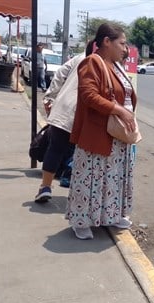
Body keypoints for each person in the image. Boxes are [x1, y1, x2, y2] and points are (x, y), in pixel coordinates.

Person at [65, 23, 137, 240]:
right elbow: (89, 95)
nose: (125, 49)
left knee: (110, 180)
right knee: (90, 179)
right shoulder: (92, 62)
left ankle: (111, 216)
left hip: (116, 137)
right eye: (122, 44)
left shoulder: (116, 66)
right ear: (107, 42)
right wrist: (119, 111)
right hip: (97, 134)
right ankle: (81, 221)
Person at [34, 41, 95, 203]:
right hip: (84, 114)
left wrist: (50, 97)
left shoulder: (80, 58)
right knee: (83, 154)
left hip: (65, 109)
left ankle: (45, 187)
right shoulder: (103, 63)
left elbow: (60, 73)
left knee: (56, 149)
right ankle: (79, 194)